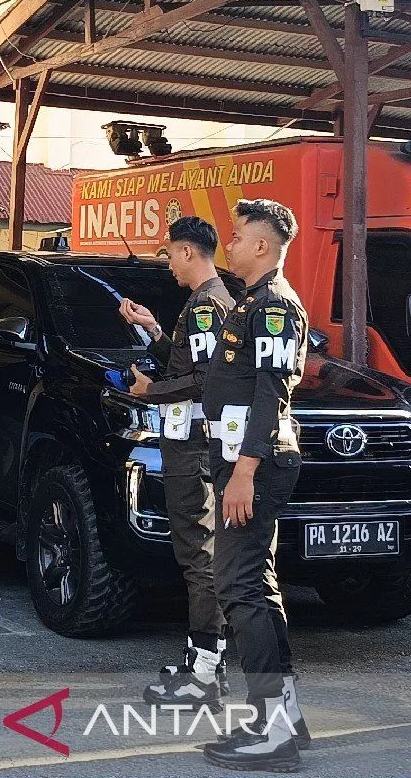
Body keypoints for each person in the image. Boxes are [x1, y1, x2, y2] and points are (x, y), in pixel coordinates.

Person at [202, 199, 311, 772]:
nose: (230, 243)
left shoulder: (273, 305)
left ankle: (272, 731)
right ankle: (284, 718)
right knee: (256, 588)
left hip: (255, 466)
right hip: (245, 462)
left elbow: (271, 392)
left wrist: (244, 471)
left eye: (239, 236)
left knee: (238, 588)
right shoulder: (251, 300)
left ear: (263, 246)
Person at [119, 217, 235, 710]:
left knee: (198, 553)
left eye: (169, 254)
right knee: (200, 551)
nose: (167, 264)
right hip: (195, 444)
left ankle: (205, 669)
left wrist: (151, 391)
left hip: (194, 446)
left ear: (188, 251)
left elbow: (205, 380)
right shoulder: (208, 300)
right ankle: (203, 659)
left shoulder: (207, 304)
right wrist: (151, 329)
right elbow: (187, 362)